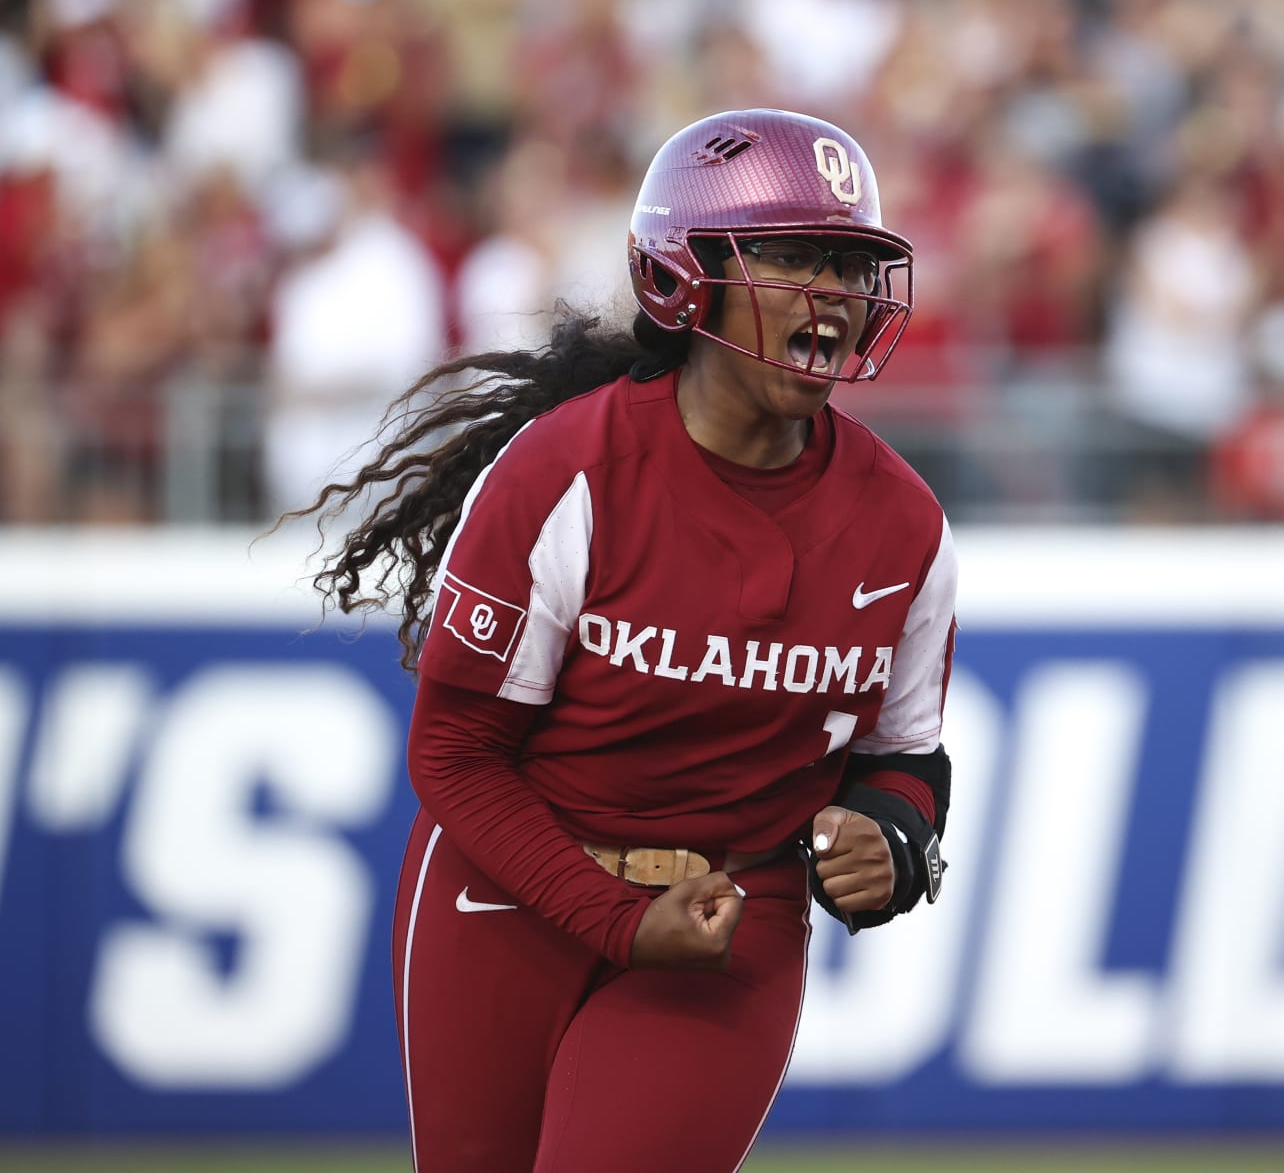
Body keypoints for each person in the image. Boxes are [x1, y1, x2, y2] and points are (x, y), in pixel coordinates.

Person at [292, 108, 956, 1172]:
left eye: (848, 261)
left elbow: (903, 760)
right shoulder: (567, 474)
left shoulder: (905, 524)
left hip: (731, 915)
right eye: (791, 256)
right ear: (682, 275)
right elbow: (453, 754)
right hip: (505, 896)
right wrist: (614, 916)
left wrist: (895, 839)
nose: (831, 291)